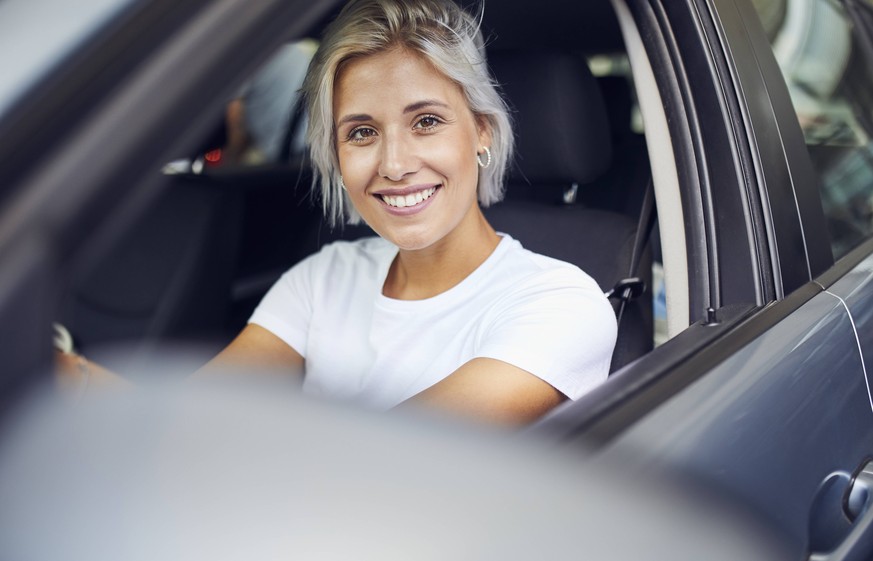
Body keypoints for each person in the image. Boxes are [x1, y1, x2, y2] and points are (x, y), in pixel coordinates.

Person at [58, 0, 617, 426]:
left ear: (481, 133)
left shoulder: (562, 305)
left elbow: (375, 469)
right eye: (363, 132)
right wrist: (61, 372)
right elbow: (181, 423)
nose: (394, 164)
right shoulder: (324, 278)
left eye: (426, 121)